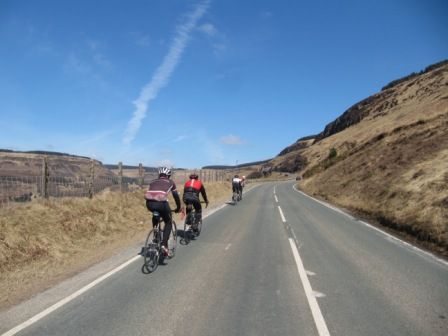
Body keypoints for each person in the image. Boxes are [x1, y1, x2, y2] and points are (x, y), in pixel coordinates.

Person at [145, 167, 181, 257]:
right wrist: (178, 207)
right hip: (161, 203)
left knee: (155, 216)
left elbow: (152, 193)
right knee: (168, 222)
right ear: (168, 175)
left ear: (159, 175)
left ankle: (156, 237)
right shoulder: (171, 182)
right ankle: (164, 245)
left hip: (149, 204)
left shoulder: (153, 181)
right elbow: (176, 196)